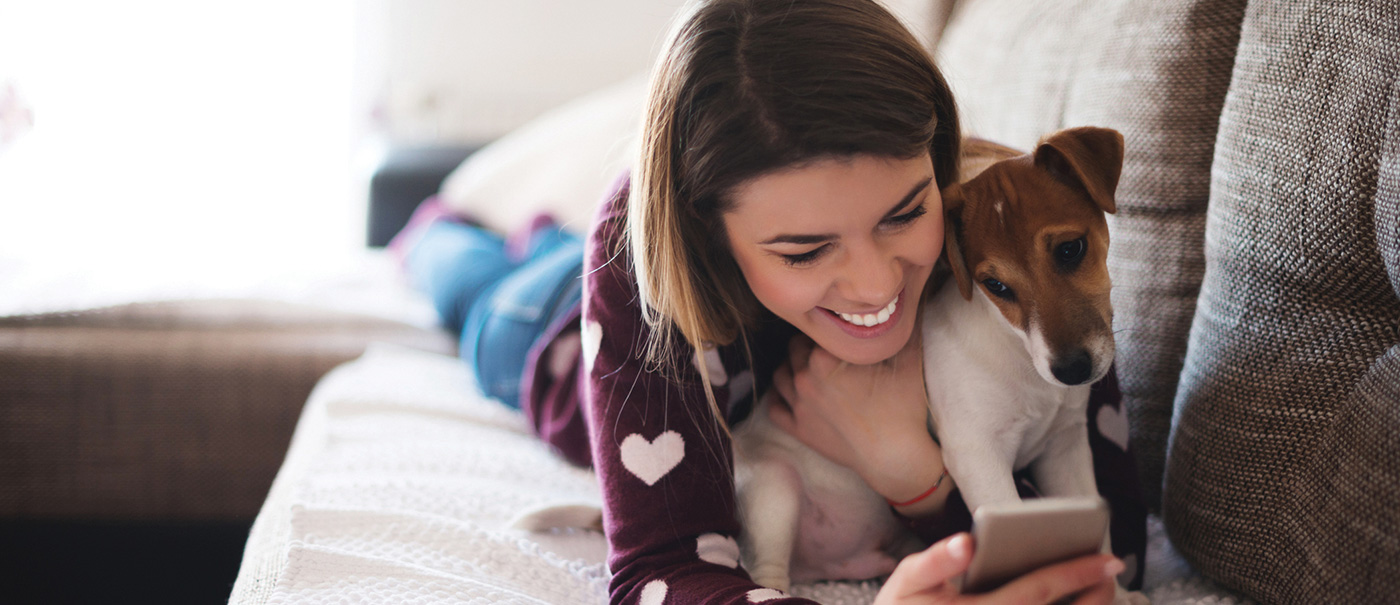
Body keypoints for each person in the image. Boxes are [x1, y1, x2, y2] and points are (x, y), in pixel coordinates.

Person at [395, 0, 1146, 603]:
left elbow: (1119, 546)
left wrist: (914, 475)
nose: (877, 286)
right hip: (551, 335)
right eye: (806, 249)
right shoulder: (641, 265)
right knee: (471, 280)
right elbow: (660, 569)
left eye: (905, 214)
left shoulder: (1004, 216)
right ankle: (441, 232)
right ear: (707, 230)